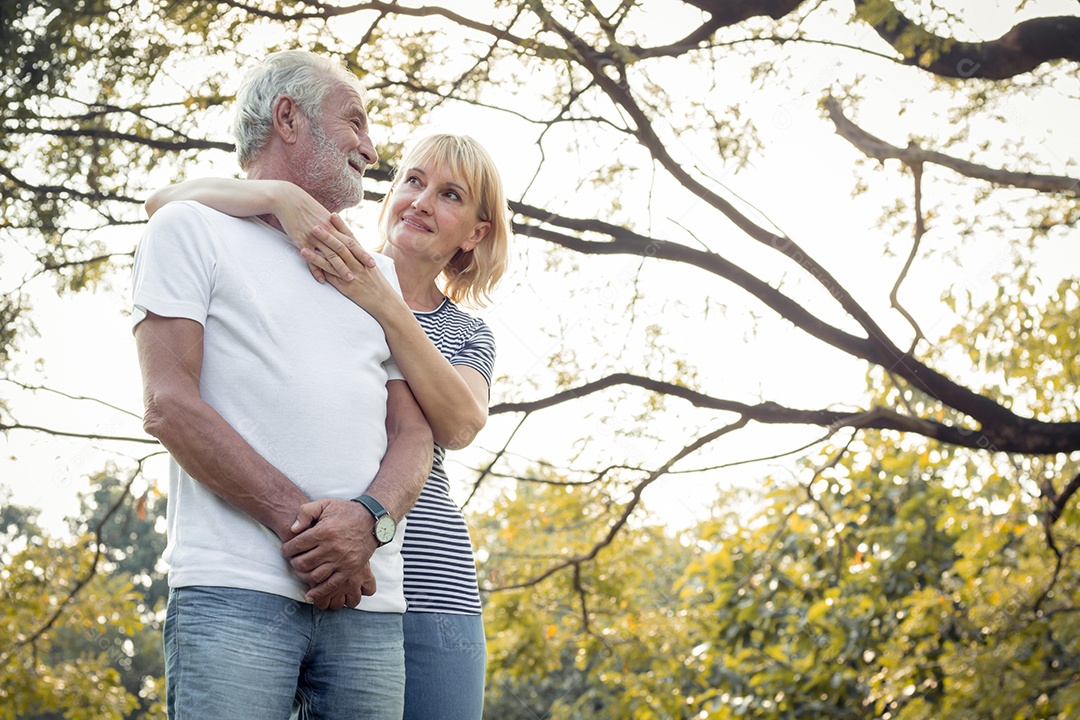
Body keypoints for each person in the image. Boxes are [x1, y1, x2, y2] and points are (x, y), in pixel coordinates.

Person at [145, 133, 511, 719]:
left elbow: (460, 423)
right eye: (413, 181)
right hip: (314, 566)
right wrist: (279, 195)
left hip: (429, 577)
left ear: (475, 233)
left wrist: (385, 302)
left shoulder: (465, 331)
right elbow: (165, 200)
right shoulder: (332, 263)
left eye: (450, 195)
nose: (421, 202)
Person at [132, 50, 434, 720]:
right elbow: (168, 405)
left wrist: (368, 523)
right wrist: (314, 536)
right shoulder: (188, 229)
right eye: (355, 121)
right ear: (289, 119)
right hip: (232, 591)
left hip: (369, 602)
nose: (371, 148)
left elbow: (415, 434)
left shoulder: (375, 274)